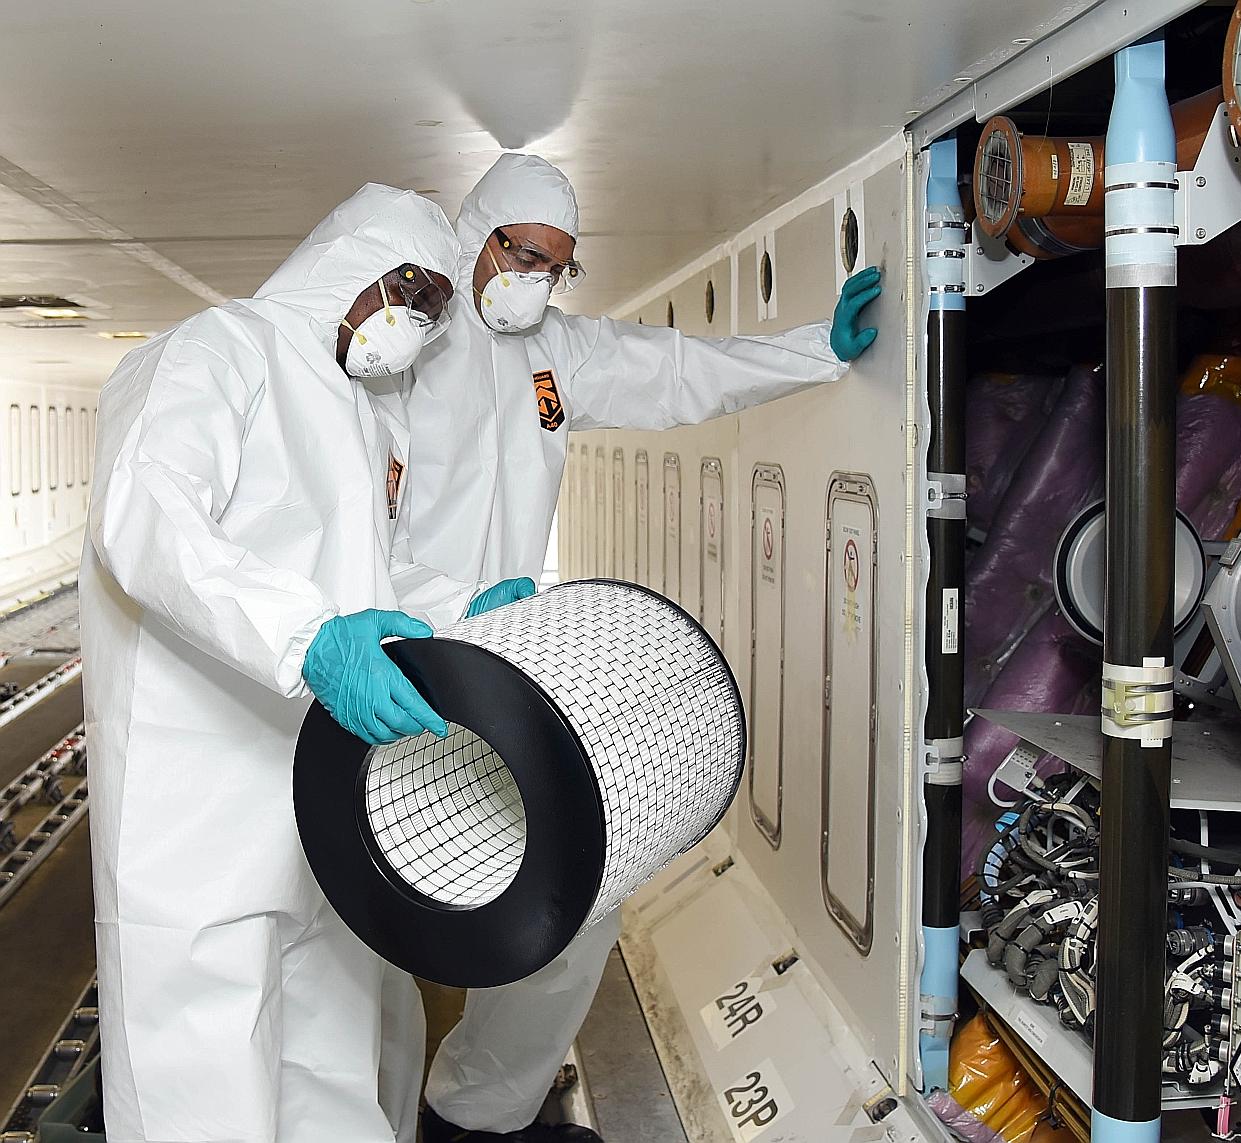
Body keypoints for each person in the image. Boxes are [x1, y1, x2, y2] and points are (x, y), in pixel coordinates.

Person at [401, 153, 882, 1143]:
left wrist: (817, 352)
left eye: (558, 265)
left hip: (502, 662)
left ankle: (475, 1116)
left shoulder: (552, 357)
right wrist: (429, 605)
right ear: (474, 234)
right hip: (394, 660)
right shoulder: (401, 344)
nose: (537, 277)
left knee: (572, 904)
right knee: (368, 928)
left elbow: (678, 376)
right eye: (524, 252)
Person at [81, 183, 532, 1143]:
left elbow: (361, 576)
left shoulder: (362, 409)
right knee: (201, 1103)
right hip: (193, 830)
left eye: (439, 304)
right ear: (346, 261)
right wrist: (307, 643)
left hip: (315, 814)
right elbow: (147, 516)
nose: (419, 319)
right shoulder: (215, 352)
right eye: (408, 288)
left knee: (333, 1087)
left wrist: (461, 606)